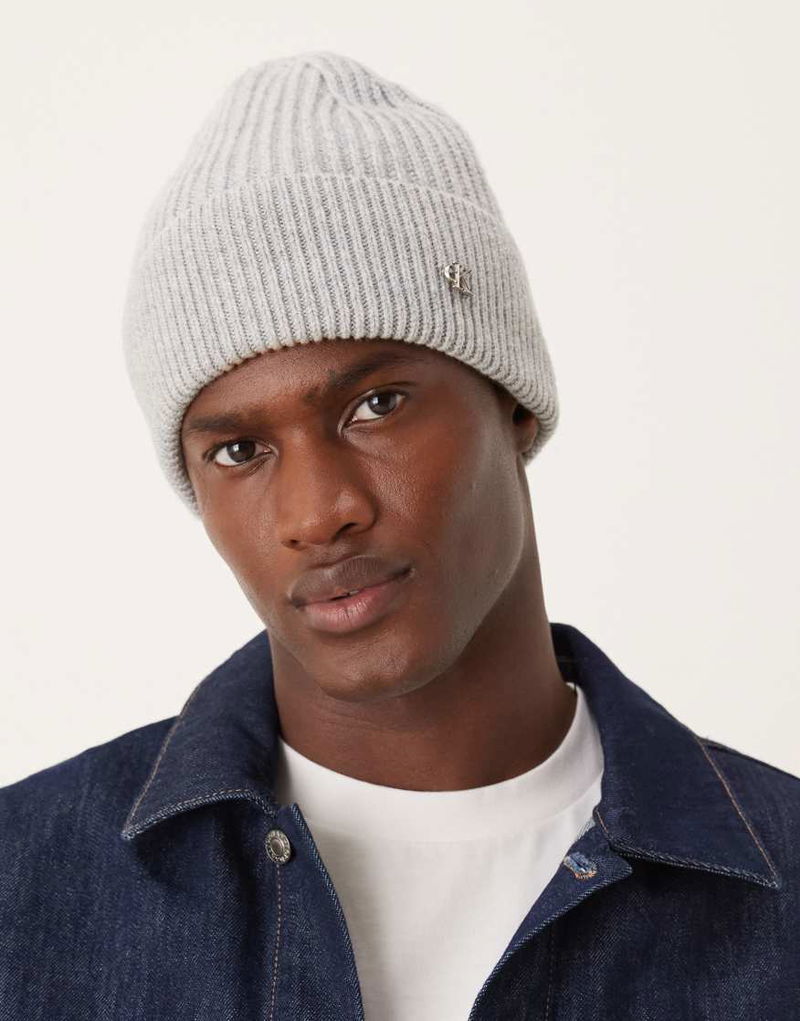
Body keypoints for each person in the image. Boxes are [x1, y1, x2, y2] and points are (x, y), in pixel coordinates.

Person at [1, 50, 797, 1021]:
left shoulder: (780, 890)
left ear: (512, 403)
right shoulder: (23, 888)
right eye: (240, 450)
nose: (316, 512)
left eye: (376, 404)